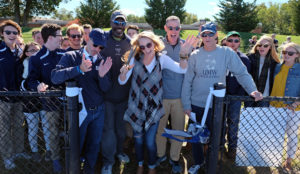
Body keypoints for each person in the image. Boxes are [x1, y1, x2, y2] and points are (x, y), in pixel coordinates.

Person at [181, 22, 263, 174]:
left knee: (216, 138)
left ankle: (212, 164)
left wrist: (253, 90)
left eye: (210, 34)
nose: (207, 37)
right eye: (204, 34)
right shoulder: (195, 55)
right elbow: (187, 81)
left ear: (216, 35)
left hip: (217, 105)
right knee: (197, 137)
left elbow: (241, 73)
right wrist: (186, 104)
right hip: (196, 104)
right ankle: (199, 162)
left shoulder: (226, 53)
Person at [119, 30, 195, 174]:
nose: (146, 49)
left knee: (149, 141)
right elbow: (122, 82)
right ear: (137, 47)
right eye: (142, 47)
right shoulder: (134, 59)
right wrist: (123, 73)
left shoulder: (162, 59)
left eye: (148, 45)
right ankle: (141, 164)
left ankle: (152, 166)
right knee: (139, 140)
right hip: (136, 107)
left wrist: (184, 55)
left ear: (154, 44)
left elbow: (182, 69)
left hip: (153, 108)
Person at [51, 28, 112, 174]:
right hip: (79, 112)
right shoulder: (71, 56)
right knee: (76, 145)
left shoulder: (102, 60)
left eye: (101, 47)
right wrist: (79, 69)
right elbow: (55, 77)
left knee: (94, 144)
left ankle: (89, 170)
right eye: (95, 45)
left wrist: (102, 76)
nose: (97, 49)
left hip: (98, 110)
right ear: (87, 38)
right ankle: (74, 170)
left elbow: (106, 89)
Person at [27, 23, 65, 173]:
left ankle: (73, 157)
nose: (62, 38)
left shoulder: (64, 54)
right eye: (60, 35)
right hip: (49, 104)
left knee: (71, 131)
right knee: (52, 132)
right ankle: (56, 161)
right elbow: (31, 80)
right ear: (50, 37)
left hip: (70, 103)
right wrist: (37, 86)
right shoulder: (36, 58)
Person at [155, 15, 191, 174]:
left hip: (179, 98)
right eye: (171, 28)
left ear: (180, 29)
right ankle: (160, 156)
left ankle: (174, 158)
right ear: (165, 28)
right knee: (160, 130)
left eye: (177, 28)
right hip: (161, 97)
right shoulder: (158, 46)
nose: (174, 31)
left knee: (178, 129)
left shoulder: (186, 47)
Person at [100, 10, 132, 174]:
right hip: (106, 96)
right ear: (111, 22)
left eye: (122, 23)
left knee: (120, 129)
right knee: (108, 130)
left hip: (124, 96)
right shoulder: (103, 39)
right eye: (116, 22)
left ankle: (119, 152)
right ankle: (108, 161)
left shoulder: (131, 43)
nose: (119, 26)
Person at [0, 19, 30, 170]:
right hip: (2, 99)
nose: (12, 35)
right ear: (2, 34)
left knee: (19, 125)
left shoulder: (20, 52)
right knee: (4, 129)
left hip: (18, 97)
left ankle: (19, 152)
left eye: (15, 32)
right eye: (8, 32)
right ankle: (7, 157)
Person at [270, 42, 300, 172]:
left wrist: (296, 103)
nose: (286, 55)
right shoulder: (277, 67)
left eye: (290, 53)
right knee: (275, 135)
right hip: (274, 106)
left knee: (292, 135)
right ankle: (273, 159)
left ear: (297, 55)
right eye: (284, 52)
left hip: (292, 109)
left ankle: (288, 161)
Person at [224, 31, 251, 159]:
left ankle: (232, 147)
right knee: (219, 122)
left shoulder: (244, 59)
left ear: (239, 43)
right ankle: (219, 146)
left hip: (235, 97)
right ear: (225, 41)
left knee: (233, 122)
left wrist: (237, 95)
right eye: (230, 40)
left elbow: (245, 79)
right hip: (220, 96)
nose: (233, 43)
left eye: (236, 41)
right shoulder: (220, 56)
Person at [20, 42, 42, 162]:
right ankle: (35, 151)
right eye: (32, 50)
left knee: (46, 126)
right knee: (33, 127)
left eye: (37, 50)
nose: (35, 52)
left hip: (43, 100)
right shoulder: (24, 64)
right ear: (27, 53)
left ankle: (49, 151)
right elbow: (25, 82)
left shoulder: (42, 62)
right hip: (29, 101)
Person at [247, 35, 280, 106]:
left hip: (265, 97)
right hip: (250, 95)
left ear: (270, 47)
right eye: (260, 45)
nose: (262, 47)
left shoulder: (274, 62)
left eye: (265, 45)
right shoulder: (250, 58)